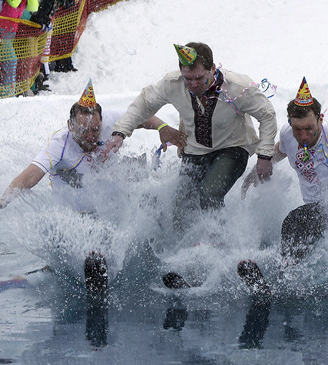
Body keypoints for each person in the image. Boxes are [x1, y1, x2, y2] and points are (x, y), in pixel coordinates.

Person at [105, 42, 277, 228]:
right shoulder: (172, 84)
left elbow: (267, 115)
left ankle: (224, 242)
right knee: (181, 207)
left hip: (232, 147)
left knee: (209, 193)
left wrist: (265, 155)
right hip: (194, 150)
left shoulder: (237, 87)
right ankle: (187, 251)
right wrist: (120, 132)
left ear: (212, 69)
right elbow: (144, 104)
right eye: (188, 79)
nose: (194, 84)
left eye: (199, 78)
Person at [0, 80, 184, 212]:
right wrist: (4, 200)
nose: (91, 137)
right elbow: (31, 175)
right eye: (84, 131)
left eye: (95, 129)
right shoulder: (59, 144)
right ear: (70, 126)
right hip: (71, 201)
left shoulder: (109, 120)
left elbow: (143, 118)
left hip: (106, 193)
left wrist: (163, 128)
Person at [241, 78, 328, 268]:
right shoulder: (288, 134)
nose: (303, 136)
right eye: (298, 129)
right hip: (319, 211)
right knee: (293, 221)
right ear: (290, 122)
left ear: (320, 120)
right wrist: (255, 172)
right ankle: (286, 272)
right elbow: (280, 149)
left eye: (309, 129)